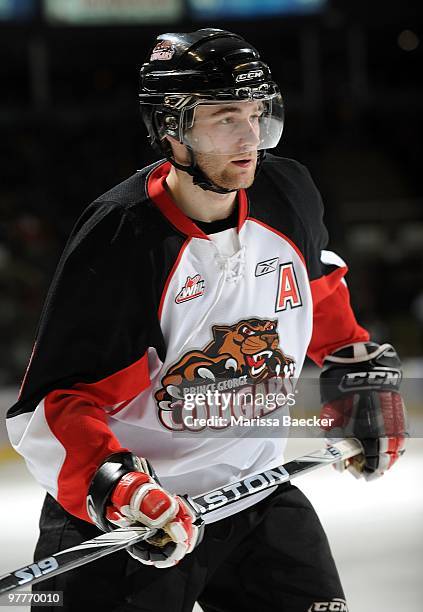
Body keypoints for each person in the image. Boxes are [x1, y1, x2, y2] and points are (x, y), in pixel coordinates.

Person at [6, 29, 406, 612]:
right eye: (225, 118)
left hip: (254, 493)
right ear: (173, 128)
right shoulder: (121, 241)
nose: (250, 139)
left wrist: (353, 372)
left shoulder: (287, 192)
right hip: (135, 523)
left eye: (257, 114)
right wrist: (120, 490)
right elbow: (56, 406)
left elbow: (316, 299)